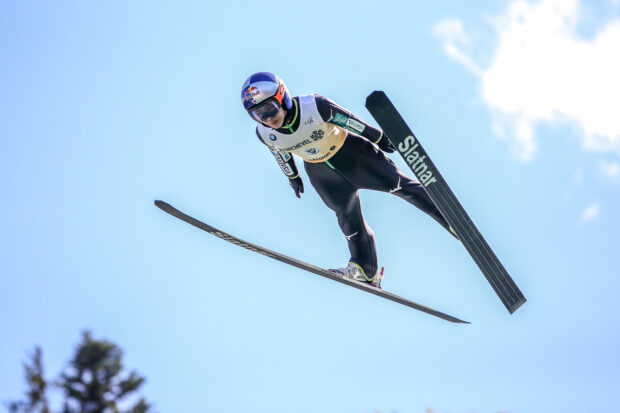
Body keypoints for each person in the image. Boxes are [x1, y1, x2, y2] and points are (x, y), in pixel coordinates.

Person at [241, 72, 457, 289]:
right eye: (258, 115)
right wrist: (293, 176)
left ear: (283, 97)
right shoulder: (265, 133)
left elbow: (351, 121)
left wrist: (378, 137)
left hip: (354, 157)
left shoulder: (315, 106)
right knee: (347, 216)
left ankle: (452, 220)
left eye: (269, 109)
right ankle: (364, 270)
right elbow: (279, 153)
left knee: (403, 186)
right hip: (321, 173)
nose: (268, 119)